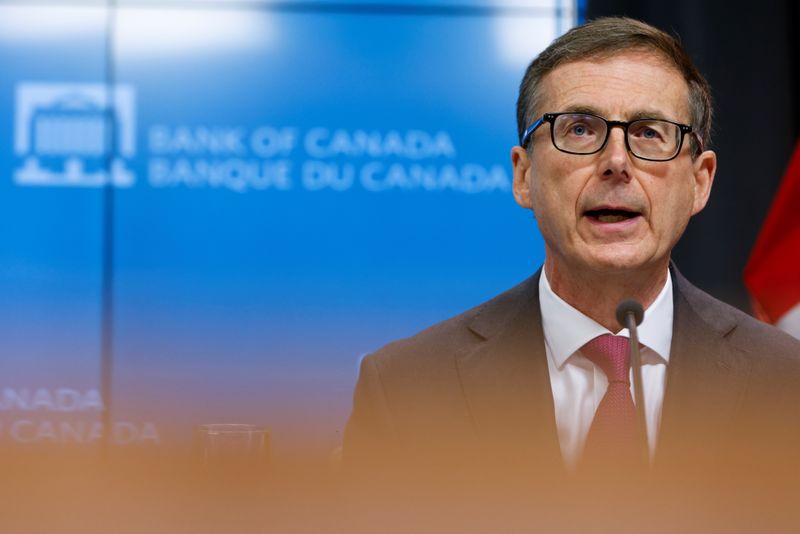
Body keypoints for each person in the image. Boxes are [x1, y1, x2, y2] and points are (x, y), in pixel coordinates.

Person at [343, 17, 800, 499]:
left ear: (700, 181)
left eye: (649, 133)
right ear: (523, 175)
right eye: (580, 129)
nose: (617, 162)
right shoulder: (406, 387)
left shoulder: (786, 383)